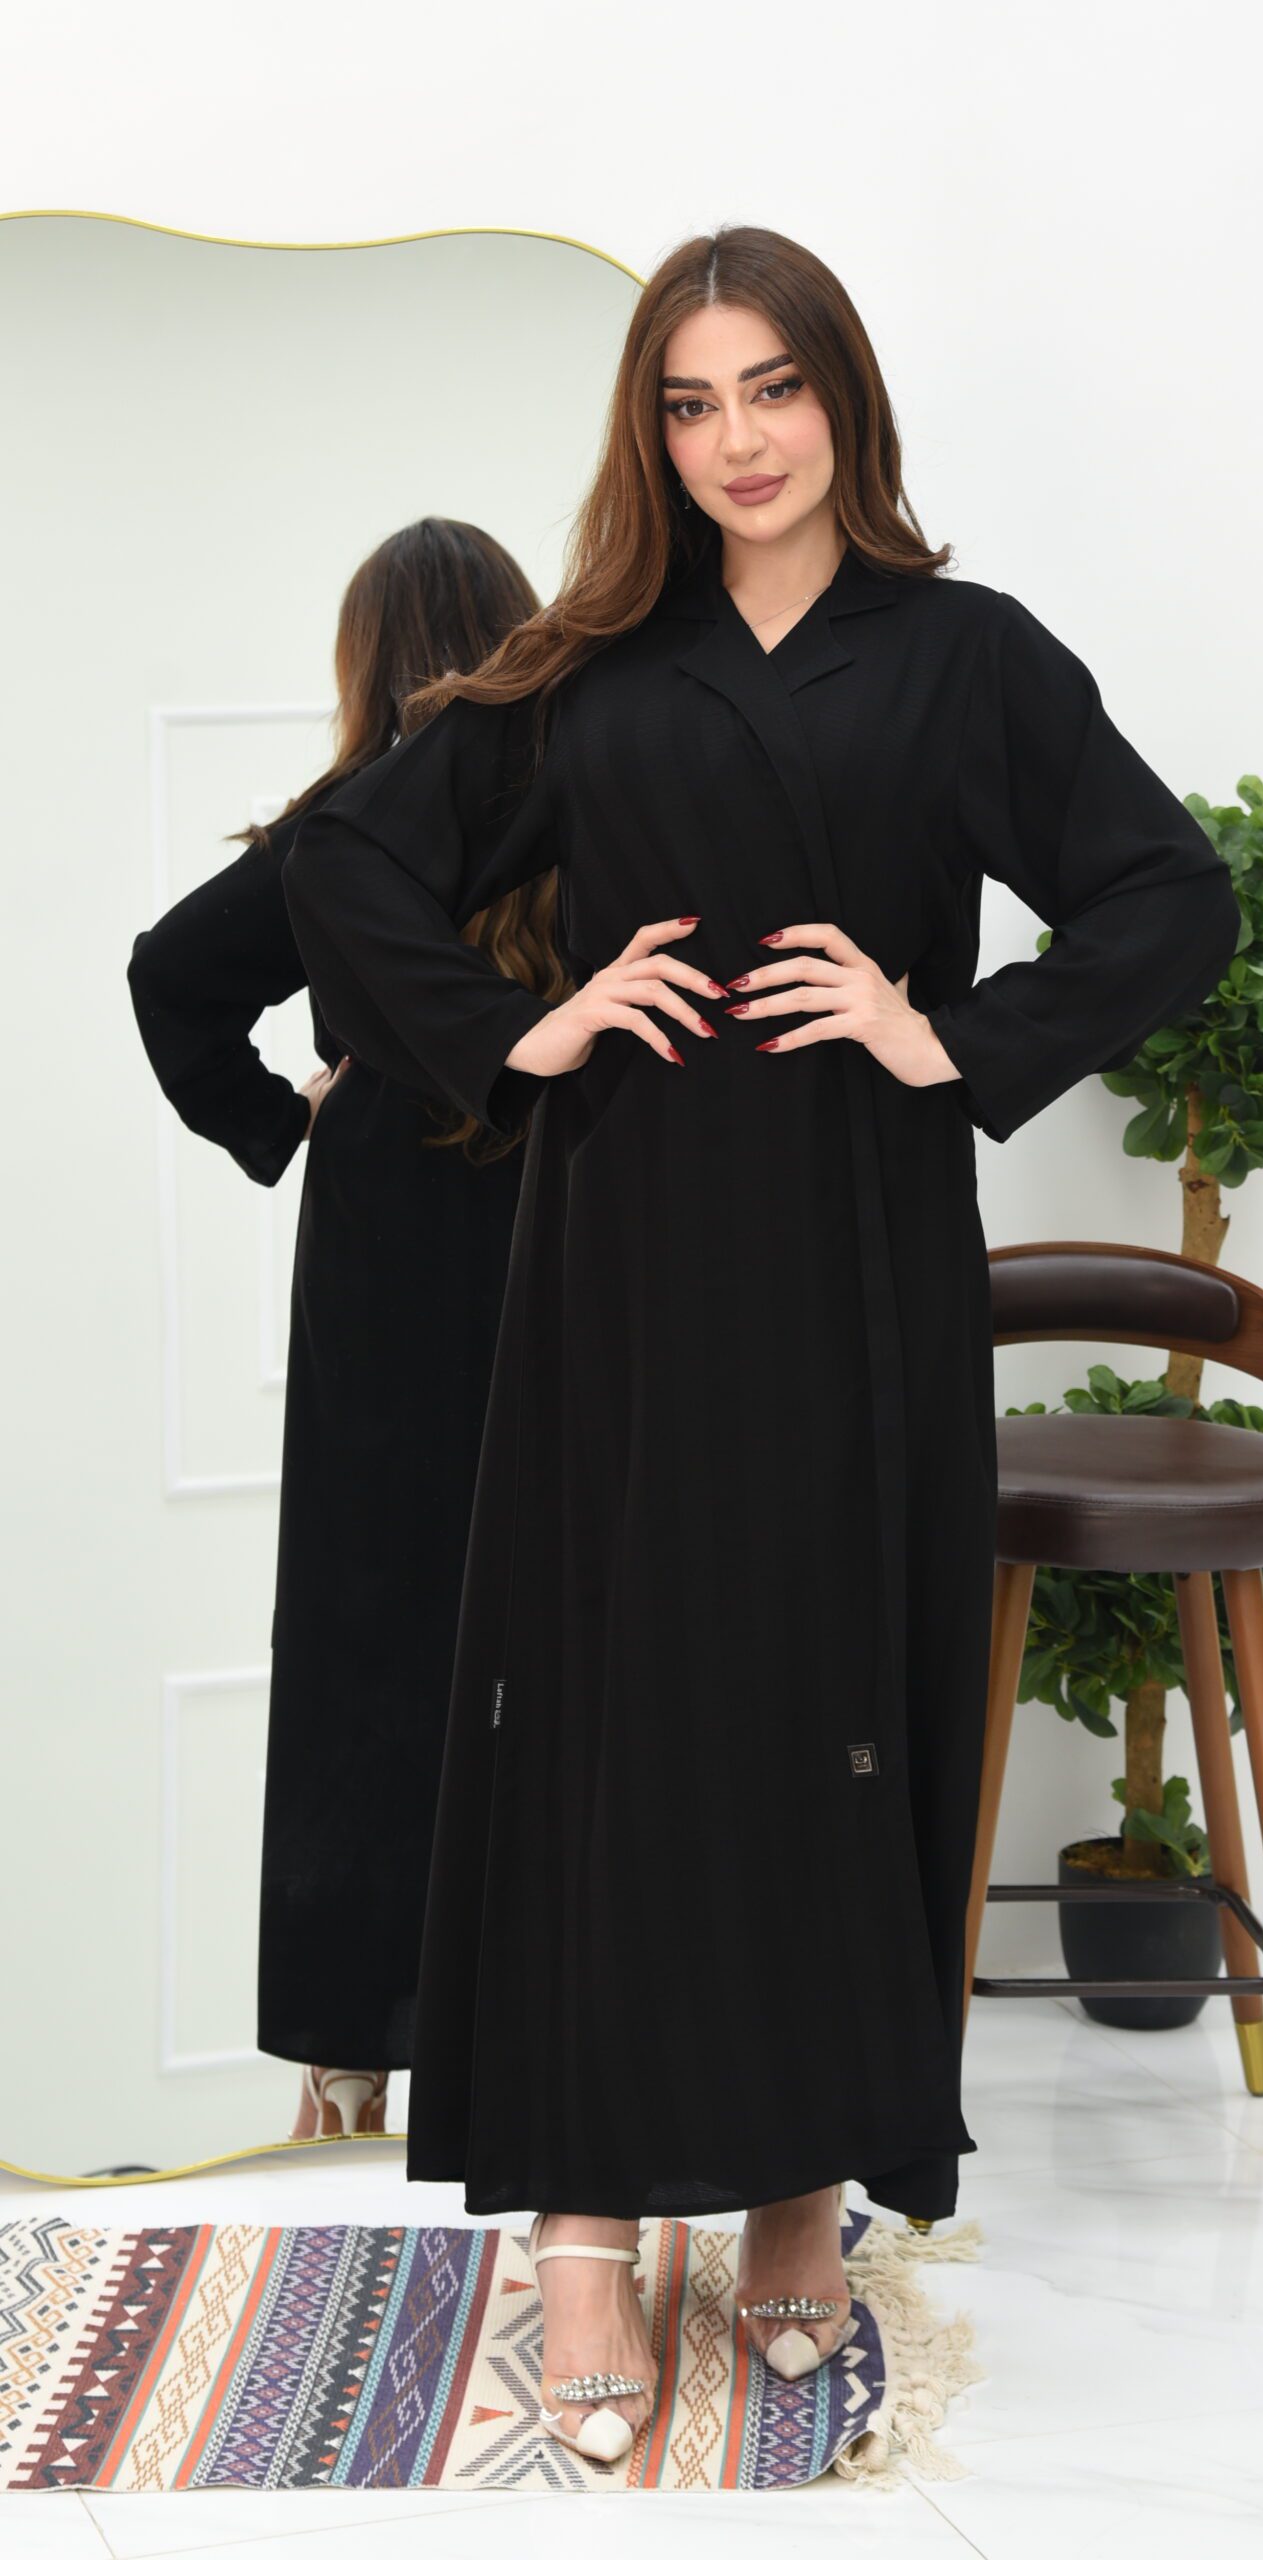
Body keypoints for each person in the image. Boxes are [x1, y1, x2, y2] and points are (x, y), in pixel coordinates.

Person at [281, 225, 1241, 2466]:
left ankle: (801, 2196)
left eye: (774, 389)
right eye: (690, 402)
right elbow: (347, 863)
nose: (737, 440)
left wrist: (953, 1033)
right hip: (621, 1257)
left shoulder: (963, 657)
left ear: (843, 400)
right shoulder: (586, 670)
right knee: (608, 1705)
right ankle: (585, 2225)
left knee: (833, 1697)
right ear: (653, 430)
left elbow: (1165, 891)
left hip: (857, 1247)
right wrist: (519, 1030)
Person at [128, 518, 564, 2142]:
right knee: (564, 1614)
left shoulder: (338, 831)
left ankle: (349, 2054)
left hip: (388, 1238)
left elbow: (169, 977)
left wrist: (286, 1117)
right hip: (558, 1206)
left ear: (361, 659)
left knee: (369, 1630)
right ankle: (549, 2019)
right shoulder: (578, 811)